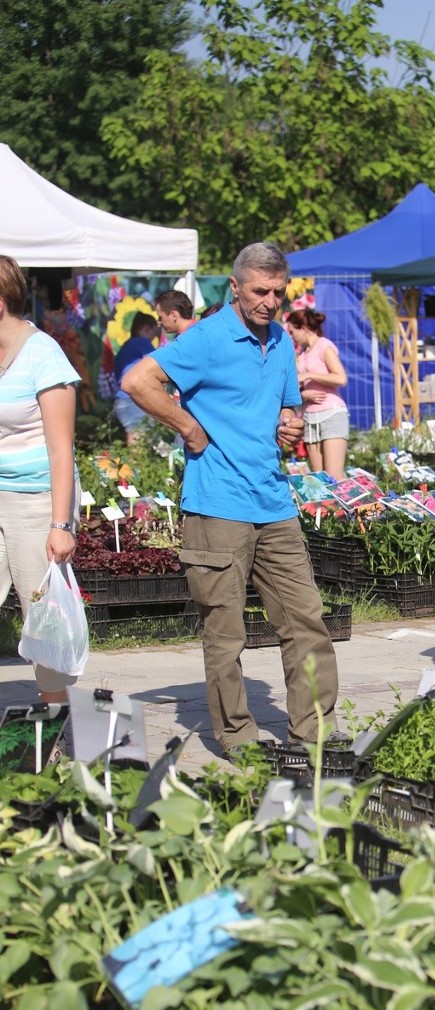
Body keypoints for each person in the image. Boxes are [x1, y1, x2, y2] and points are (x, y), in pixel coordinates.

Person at [122, 242, 339, 755]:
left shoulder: (282, 341)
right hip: (217, 505)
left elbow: (288, 410)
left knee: (307, 620)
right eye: (260, 291)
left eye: (278, 292)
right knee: (225, 634)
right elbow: (139, 381)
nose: (269, 301)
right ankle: (238, 739)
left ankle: (316, 735)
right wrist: (188, 427)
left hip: (273, 502)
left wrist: (289, 426)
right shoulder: (208, 338)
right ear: (236, 287)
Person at [0, 255, 80, 702]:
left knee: (43, 619)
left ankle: (55, 728)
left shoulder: (44, 355)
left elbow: (60, 447)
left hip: (36, 501)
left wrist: (60, 524)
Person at [284, 309, 349, 481]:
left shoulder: (324, 346)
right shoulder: (303, 353)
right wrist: (304, 394)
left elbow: (341, 378)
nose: (291, 336)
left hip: (331, 415)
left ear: (303, 328)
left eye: (292, 331)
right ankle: (325, 509)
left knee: (334, 477)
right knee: (319, 479)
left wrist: (309, 375)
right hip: (310, 418)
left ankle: (351, 507)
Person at [113, 312, 159, 440]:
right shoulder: (142, 343)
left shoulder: (126, 347)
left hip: (123, 401)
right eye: (153, 333)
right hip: (133, 400)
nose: (153, 339)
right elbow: (158, 365)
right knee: (139, 440)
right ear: (145, 329)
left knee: (135, 436)